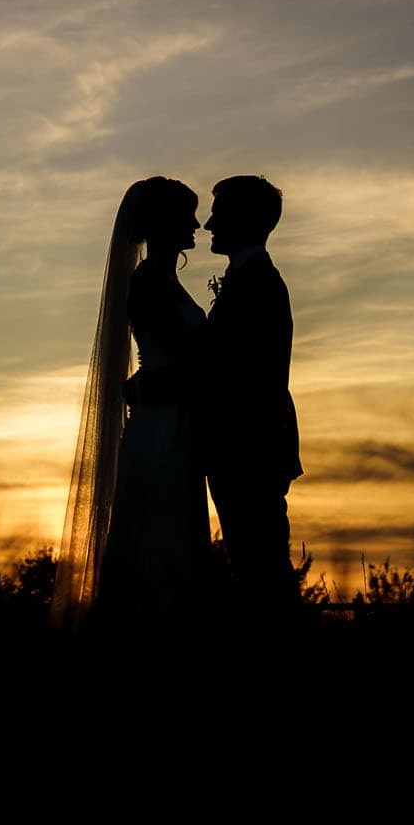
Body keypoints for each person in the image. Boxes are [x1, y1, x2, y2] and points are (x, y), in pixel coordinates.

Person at [52, 176, 212, 630]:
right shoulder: (148, 282)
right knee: (158, 537)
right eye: (187, 216)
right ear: (164, 224)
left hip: (171, 421)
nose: (197, 225)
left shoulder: (162, 278)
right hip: (161, 428)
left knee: (172, 537)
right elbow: (184, 365)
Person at [200, 174, 301, 616]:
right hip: (242, 448)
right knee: (255, 569)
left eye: (219, 213)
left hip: (250, 449)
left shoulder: (260, 284)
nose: (207, 224)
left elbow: (247, 375)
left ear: (249, 217)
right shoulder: (245, 279)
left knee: (263, 574)